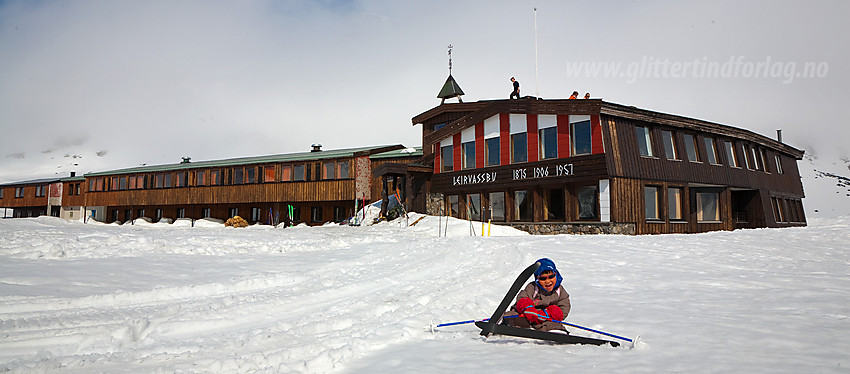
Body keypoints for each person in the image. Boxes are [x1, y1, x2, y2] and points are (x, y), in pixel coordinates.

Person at [504, 258, 571, 332]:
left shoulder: (560, 291)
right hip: (528, 315)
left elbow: (564, 308)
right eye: (543, 278)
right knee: (512, 316)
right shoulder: (533, 287)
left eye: (551, 277)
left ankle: (555, 331)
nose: (548, 281)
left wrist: (547, 314)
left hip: (546, 318)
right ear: (537, 279)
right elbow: (522, 298)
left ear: (556, 274)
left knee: (554, 320)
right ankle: (508, 324)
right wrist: (528, 308)